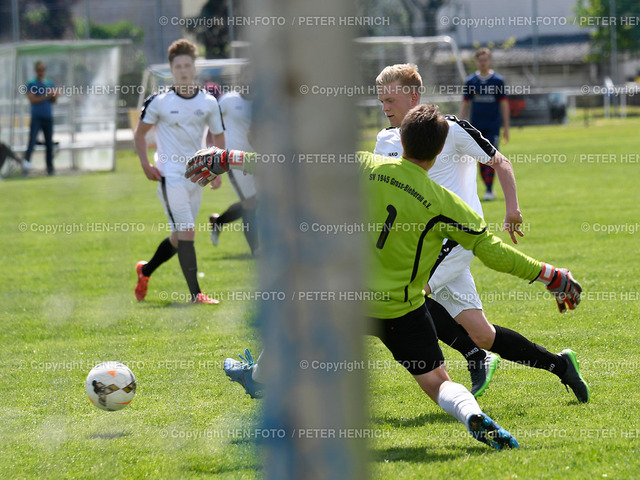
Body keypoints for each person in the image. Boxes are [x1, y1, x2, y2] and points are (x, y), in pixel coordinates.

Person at [182, 105, 583, 450]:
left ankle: (260, 379)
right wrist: (550, 275)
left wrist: (225, 156)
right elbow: (495, 254)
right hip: (401, 309)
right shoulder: (448, 205)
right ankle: (472, 415)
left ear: (401, 139)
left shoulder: (363, 164)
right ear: (439, 150)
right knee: (438, 382)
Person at [374, 64, 589, 403]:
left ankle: (475, 357)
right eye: (380, 100)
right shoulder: (384, 139)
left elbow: (499, 162)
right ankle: (560, 365)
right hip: (423, 245)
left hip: (457, 239)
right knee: (482, 333)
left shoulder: (450, 129)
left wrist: (512, 208)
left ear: (413, 96)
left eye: (389, 99)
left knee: (408, 294)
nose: (384, 107)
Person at [133, 39, 225, 304]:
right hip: (170, 174)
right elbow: (140, 135)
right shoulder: (159, 102)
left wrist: (217, 170)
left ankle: (145, 270)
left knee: (179, 236)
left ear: (194, 68)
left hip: (197, 176)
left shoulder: (208, 102)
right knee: (188, 232)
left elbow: (219, 137)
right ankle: (196, 295)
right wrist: (145, 164)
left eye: (187, 65)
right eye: (178, 66)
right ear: (171, 70)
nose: (183, 70)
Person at [209, 71, 260, 254]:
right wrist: (211, 149)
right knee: (250, 202)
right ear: (240, 79)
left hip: (258, 159)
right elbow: (212, 122)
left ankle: (218, 221)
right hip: (234, 160)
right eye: (247, 76)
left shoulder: (261, 103)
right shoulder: (229, 100)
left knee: (258, 200)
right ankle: (256, 249)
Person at [460, 48, 510, 201]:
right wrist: (461, 124)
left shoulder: (497, 81)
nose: (483, 63)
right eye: (480, 60)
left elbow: (504, 104)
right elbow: (465, 104)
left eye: (485, 60)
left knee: (492, 156)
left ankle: (489, 189)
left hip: (493, 126)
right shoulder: (471, 82)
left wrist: (506, 127)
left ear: (490, 61)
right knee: (480, 157)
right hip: (476, 126)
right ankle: (487, 187)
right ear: (476, 62)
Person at [24, 61, 58, 176]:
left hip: (48, 117)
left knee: (49, 144)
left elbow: (53, 101)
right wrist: (47, 96)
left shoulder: (49, 82)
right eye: (39, 69)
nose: (41, 71)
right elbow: (32, 99)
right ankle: (26, 168)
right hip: (36, 118)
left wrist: (54, 96)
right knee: (32, 142)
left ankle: (50, 169)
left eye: (43, 68)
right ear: (36, 70)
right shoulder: (32, 83)